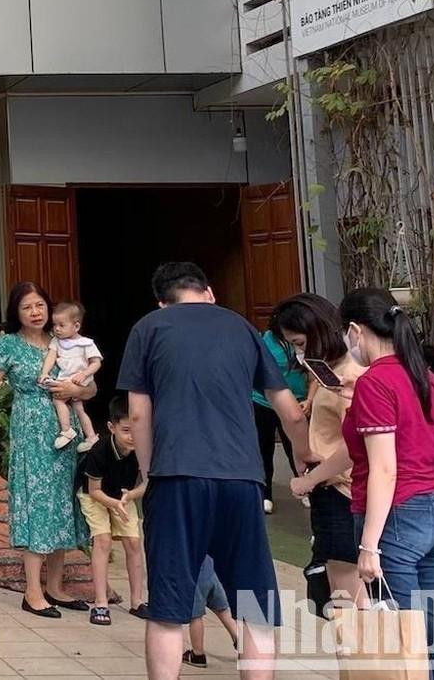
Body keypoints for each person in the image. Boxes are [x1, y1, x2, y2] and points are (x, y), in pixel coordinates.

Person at [118, 262, 311, 680]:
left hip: (176, 477)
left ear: (162, 300)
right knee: (255, 607)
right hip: (241, 478)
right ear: (208, 292)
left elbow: (138, 413)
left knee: (169, 607)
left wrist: (150, 472)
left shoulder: (149, 328)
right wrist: (304, 458)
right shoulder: (241, 328)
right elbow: (291, 413)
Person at [337, 289, 434, 673]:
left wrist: (369, 545)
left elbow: (385, 468)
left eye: (345, 333)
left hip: (397, 518)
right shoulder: (421, 375)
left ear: (356, 331)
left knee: (402, 643)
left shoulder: (376, 382)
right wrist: (312, 479)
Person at [0, 282, 94, 618]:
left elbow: (91, 389)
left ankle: (56, 587)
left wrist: (73, 387)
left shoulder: (64, 341)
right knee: (38, 503)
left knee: (63, 502)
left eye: (39, 306)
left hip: (67, 432)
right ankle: (32, 591)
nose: (35, 313)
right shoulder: (8, 345)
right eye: (27, 307)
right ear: (15, 312)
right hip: (31, 432)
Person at [276, 293, 367, 612]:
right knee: (335, 592)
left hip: (342, 491)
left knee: (348, 598)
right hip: (332, 489)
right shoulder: (329, 373)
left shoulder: (350, 377)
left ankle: (365, 659)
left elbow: (356, 445)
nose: (300, 352)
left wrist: (310, 479)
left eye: (300, 343)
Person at [78, 394, 147, 624]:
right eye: (126, 430)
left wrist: (130, 496)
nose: (132, 437)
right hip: (95, 496)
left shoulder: (144, 448)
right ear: (112, 427)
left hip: (123, 496)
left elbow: (148, 482)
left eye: (137, 429)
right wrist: (115, 503)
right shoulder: (100, 450)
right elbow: (94, 490)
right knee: (103, 540)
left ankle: (137, 601)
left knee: (134, 542)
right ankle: (100, 603)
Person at [251, 323, 308, 513]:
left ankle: (305, 488)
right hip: (263, 402)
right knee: (263, 448)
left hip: (297, 401)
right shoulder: (264, 340)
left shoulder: (305, 341)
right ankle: (265, 494)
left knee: (296, 446)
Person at [40, 301, 104, 451]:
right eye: (54, 325)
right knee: (79, 409)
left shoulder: (86, 343)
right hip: (67, 377)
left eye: (61, 325)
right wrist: (45, 372)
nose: (57, 329)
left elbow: (96, 363)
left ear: (76, 326)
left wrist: (85, 373)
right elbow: (51, 357)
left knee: (58, 400)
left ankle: (67, 431)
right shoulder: (57, 342)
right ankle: (91, 437)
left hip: (78, 379)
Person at [182, 558, 239, 669]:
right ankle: (240, 640)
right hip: (211, 572)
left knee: (195, 616)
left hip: (195, 574)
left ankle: (198, 654)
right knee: (222, 609)